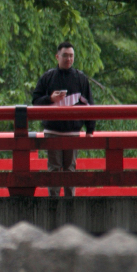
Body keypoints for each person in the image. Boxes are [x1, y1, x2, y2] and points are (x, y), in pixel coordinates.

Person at [31, 42, 95, 197]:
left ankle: (70, 201)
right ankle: (53, 202)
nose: (68, 59)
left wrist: (90, 130)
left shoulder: (80, 78)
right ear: (57, 57)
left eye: (71, 55)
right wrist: (50, 98)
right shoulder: (48, 77)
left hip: (73, 132)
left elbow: (90, 106)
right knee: (54, 168)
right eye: (65, 55)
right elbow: (35, 101)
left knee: (70, 169)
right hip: (52, 131)